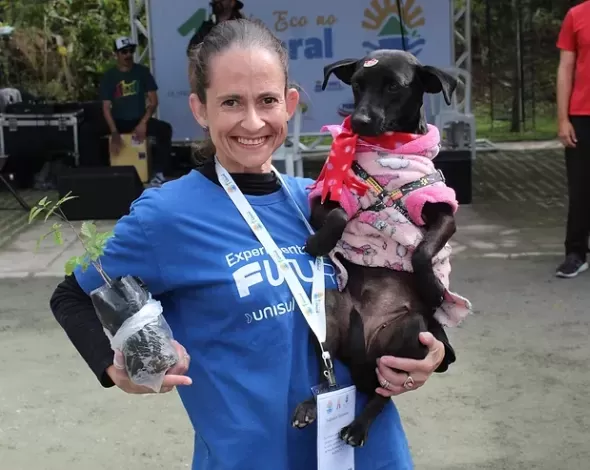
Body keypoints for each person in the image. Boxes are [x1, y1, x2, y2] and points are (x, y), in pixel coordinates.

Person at [50, 19, 452, 469]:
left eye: (267, 101)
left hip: (367, 452)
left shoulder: (323, 200)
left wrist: (432, 353)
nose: (253, 121)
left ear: (290, 104)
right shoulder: (166, 216)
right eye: (230, 103)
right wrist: (114, 367)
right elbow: (72, 295)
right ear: (200, 109)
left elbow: (397, 290)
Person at [78, 36, 173, 187]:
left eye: (131, 51)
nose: (128, 55)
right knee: (87, 130)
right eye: (124, 52)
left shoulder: (142, 72)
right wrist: (114, 132)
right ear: (116, 54)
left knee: (164, 129)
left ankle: (159, 173)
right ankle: (95, 174)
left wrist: (143, 123)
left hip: (138, 120)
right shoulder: (110, 76)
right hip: (116, 120)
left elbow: (153, 101)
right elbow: (106, 108)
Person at [555, 1, 590, 278]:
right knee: (581, 190)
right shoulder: (577, 15)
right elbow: (565, 67)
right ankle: (576, 253)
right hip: (582, 115)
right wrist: (563, 118)